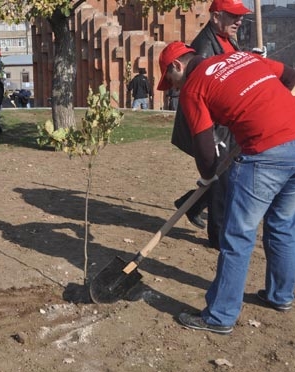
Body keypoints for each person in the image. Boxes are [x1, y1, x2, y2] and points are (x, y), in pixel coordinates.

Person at [157, 41, 295, 334]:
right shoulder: (243, 58)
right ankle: (280, 296)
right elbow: (291, 76)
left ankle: (219, 316)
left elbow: (205, 148)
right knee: (282, 224)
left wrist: (208, 176)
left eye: (169, 81)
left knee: (237, 235)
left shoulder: (193, 88)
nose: (173, 88)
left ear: (176, 66)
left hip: (265, 153)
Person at [171, 0, 252, 248]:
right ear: (216, 17)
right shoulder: (204, 47)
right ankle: (218, 238)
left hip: (228, 122)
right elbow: (199, 96)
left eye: (240, 15)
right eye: (233, 15)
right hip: (215, 125)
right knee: (220, 179)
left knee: (225, 176)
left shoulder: (228, 38)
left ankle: (191, 203)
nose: (239, 20)